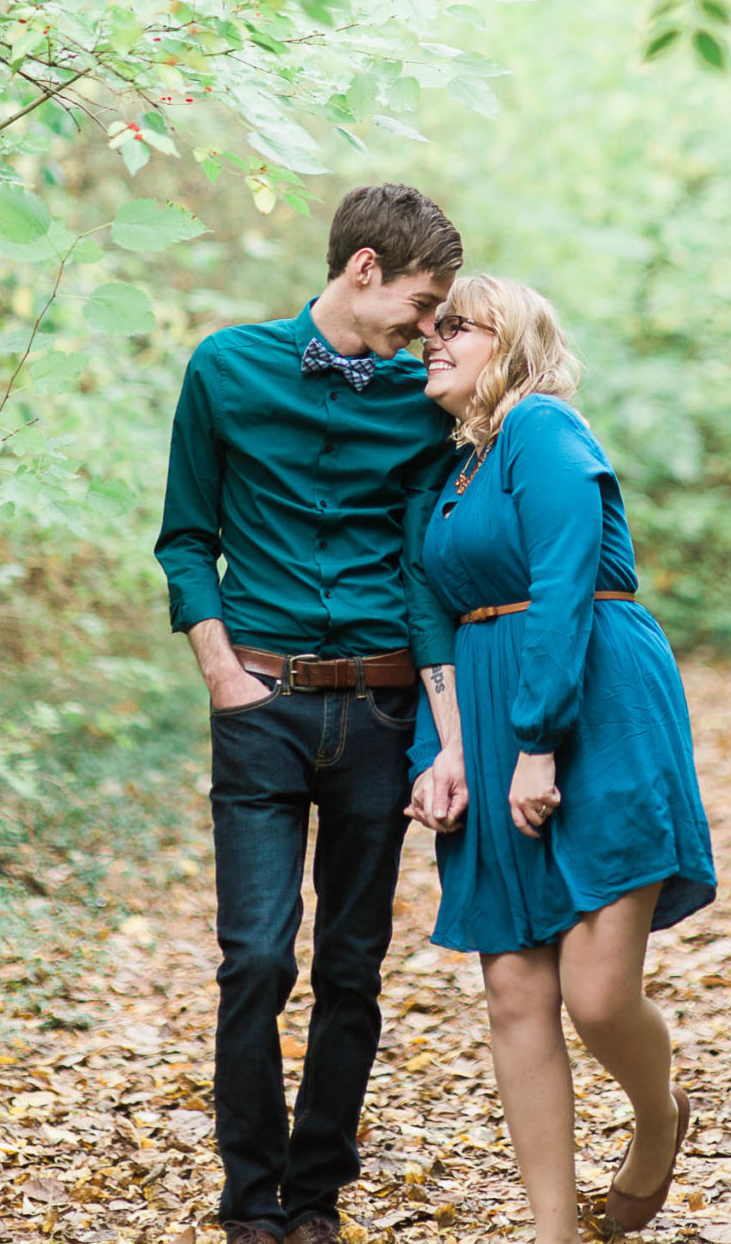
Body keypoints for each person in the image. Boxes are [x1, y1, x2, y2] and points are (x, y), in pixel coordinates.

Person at [155, 182, 462, 1244]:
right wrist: (221, 677)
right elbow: (186, 537)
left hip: (377, 714)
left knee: (350, 964)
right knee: (255, 956)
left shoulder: (422, 398)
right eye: (423, 304)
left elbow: (432, 564)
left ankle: (315, 1192)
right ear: (362, 268)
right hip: (261, 703)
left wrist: (442, 719)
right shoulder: (225, 368)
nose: (430, 330)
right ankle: (250, 1201)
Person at [405, 274, 716, 1242]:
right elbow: (431, 621)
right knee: (512, 987)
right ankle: (553, 1228)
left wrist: (537, 744)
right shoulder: (443, 477)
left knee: (595, 992)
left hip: (595, 702)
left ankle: (659, 1116)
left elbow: (565, 579)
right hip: (491, 717)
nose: (434, 339)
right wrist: (444, 751)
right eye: (431, 325)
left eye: (459, 325)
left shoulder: (543, 430)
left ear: (514, 344)